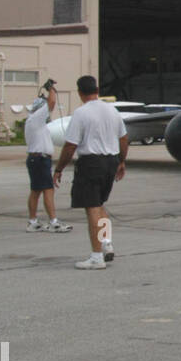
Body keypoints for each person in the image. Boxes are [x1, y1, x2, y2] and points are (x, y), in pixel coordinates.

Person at [53, 75, 128, 270]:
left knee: (92, 207)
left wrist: (59, 168)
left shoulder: (81, 113)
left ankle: (96, 257)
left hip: (91, 162)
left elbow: (70, 145)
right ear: (97, 90)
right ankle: (106, 243)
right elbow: (123, 138)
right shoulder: (112, 111)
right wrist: (121, 161)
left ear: (80, 92)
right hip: (111, 161)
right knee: (100, 205)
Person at [23, 83, 71, 233]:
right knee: (48, 190)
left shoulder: (33, 122)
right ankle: (54, 222)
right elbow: (51, 103)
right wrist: (51, 89)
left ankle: (33, 221)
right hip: (40, 160)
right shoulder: (36, 119)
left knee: (36, 191)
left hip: (36, 159)